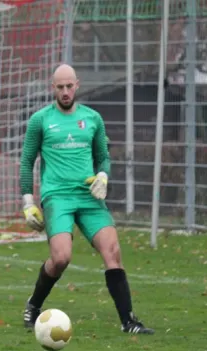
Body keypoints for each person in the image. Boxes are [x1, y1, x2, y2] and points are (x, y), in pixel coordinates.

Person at [19, 64, 154, 335]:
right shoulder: (40, 120)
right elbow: (26, 162)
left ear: (77, 85)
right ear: (52, 87)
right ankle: (34, 305)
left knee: (113, 252)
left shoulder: (93, 118)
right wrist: (28, 202)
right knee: (61, 259)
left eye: (70, 86)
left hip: (89, 196)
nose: (66, 92)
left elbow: (103, 157)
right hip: (57, 196)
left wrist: (103, 176)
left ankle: (129, 321)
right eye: (60, 87)